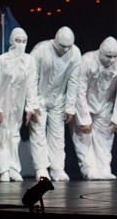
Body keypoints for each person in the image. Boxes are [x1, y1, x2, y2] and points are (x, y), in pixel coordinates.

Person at [70, 36, 117, 180]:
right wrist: (84, 118)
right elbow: (79, 90)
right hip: (84, 103)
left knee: (105, 139)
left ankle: (104, 168)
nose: (111, 60)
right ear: (100, 52)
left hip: (105, 104)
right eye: (108, 56)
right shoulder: (87, 60)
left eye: (114, 56)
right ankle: (89, 169)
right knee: (83, 138)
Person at [29, 26, 82, 181]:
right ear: (55, 41)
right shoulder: (40, 50)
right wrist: (32, 104)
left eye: (68, 47)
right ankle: (41, 168)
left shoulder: (75, 53)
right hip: (40, 97)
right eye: (62, 46)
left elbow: (74, 80)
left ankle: (58, 169)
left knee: (58, 135)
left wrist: (70, 107)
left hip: (58, 99)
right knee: (38, 133)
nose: (66, 50)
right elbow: (31, 78)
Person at [0, 27, 40, 182]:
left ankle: (14, 168)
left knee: (14, 135)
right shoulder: (2, 60)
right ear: (11, 41)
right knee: (1, 135)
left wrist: (30, 106)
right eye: (18, 41)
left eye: (24, 41)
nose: (21, 44)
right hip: (3, 102)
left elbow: (31, 84)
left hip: (18, 102)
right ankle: (3, 169)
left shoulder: (29, 60)